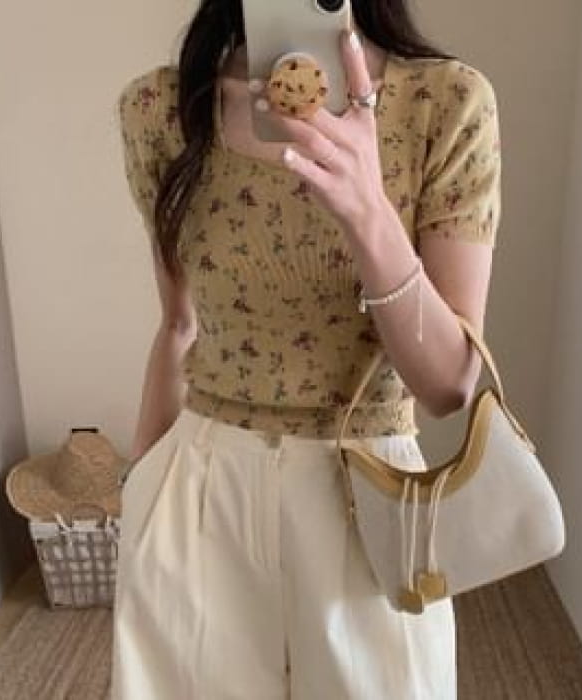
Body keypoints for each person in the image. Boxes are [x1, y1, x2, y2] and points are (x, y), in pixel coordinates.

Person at [111, 0, 502, 697]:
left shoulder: (445, 103)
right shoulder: (158, 110)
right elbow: (177, 325)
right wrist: (138, 500)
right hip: (199, 496)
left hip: (370, 497)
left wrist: (367, 209)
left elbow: (449, 386)